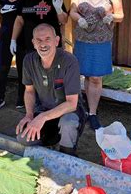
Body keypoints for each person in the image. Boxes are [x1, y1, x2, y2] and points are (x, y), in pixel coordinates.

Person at [69, 0, 124, 130]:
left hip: (101, 42)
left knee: (96, 77)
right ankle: (85, 109)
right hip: (83, 40)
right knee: (86, 75)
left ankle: (92, 113)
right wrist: (79, 20)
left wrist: (111, 17)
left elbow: (120, 15)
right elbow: (72, 11)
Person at [15, 24, 86, 155]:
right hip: (43, 110)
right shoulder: (28, 60)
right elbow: (29, 91)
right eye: (39, 40)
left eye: (48, 39)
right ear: (33, 43)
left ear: (57, 41)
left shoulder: (69, 61)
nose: (43, 44)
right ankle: (50, 142)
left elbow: (71, 103)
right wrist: (29, 115)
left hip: (68, 113)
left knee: (68, 124)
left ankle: (67, 153)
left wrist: (42, 117)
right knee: (23, 138)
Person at [10, 0, 67, 87]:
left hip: (50, 46)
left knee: (52, 74)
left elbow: (64, 20)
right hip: (30, 45)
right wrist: (13, 40)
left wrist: (59, 10)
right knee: (33, 74)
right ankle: (33, 100)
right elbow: (19, 20)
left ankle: (54, 101)